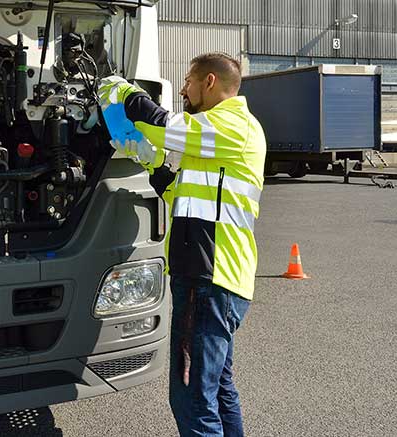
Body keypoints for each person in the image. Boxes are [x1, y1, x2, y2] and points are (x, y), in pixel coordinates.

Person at [98, 53, 266, 437]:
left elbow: (166, 126)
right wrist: (154, 168)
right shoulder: (217, 136)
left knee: (191, 397)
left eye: (188, 81)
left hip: (211, 279)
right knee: (217, 389)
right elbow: (184, 195)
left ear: (209, 82)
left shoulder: (233, 126)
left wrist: (123, 91)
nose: (183, 89)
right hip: (216, 278)